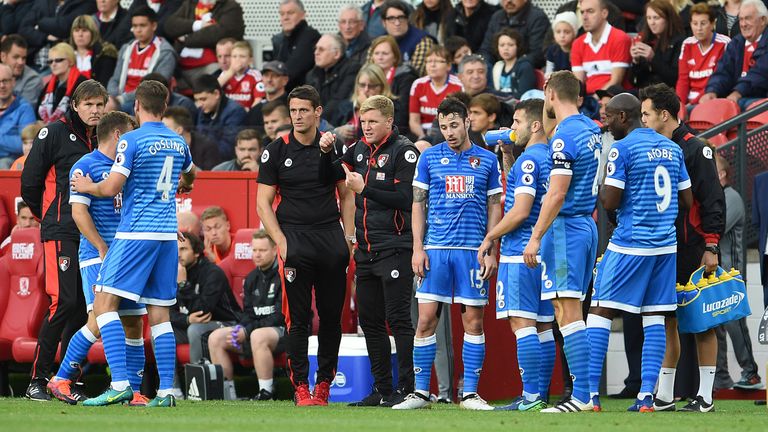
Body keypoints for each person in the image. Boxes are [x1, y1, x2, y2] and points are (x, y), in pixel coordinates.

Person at [70, 79, 197, 407]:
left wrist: (86, 186)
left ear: (137, 107)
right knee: (159, 314)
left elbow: (111, 188)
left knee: (103, 305)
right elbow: (191, 176)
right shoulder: (178, 141)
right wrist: (175, 187)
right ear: (165, 107)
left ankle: (121, 384)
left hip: (135, 234)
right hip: (168, 236)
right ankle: (167, 393)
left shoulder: (131, 140)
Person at [393, 96, 502, 411]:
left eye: (454, 124)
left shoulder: (487, 160)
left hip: (472, 252)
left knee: (474, 323)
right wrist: (417, 248)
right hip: (436, 251)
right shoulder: (428, 159)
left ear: (467, 120)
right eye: (443, 127)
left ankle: (469, 394)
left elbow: (495, 205)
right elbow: (417, 205)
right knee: (425, 320)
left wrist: (490, 248)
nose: (449, 132)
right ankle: (420, 393)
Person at [588, 92, 692, 412]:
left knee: (600, 310)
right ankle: (647, 395)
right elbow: (686, 202)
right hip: (665, 246)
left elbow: (610, 201)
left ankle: (589, 393)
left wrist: (605, 177)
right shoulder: (673, 148)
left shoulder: (623, 148)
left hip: (631, 243)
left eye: (608, 117)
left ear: (623, 117)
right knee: (655, 317)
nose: (605, 124)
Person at [256, 85, 354, 406]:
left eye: (303, 110)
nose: (297, 116)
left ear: (317, 112)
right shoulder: (276, 150)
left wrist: (349, 237)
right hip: (295, 238)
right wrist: (281, 241)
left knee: (330, 318)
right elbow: (262, 204)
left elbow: (347, 193)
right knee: (297, 320)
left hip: (329, 237)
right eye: (293, 111)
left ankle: (324, 385)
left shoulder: (331, 145)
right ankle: (301, 387)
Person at [321, 95, 418, 407]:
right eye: (364, 121)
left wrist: (365, 189)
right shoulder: (359, 148)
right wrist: (326, 153)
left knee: (399, 320)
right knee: (371, 322)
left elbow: (406, 198)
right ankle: (382, 390)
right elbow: (337, 173)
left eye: (374, 121)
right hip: (365, 249)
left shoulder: (405, 150)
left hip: (396, 247)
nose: (368, 127)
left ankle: (407, 389)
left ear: (389, 121)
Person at [47, 111, 148, 406]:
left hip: (126, 256)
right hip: (96, 255)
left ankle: (132, 391)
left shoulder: (126, 167)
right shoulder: (85, 165)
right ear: (118, 135)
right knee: (102, 318)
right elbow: (78, 212)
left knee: (132, 322)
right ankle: (68, 379)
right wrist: (102, 247)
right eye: (129, 135)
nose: (133, 141)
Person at [638, 82, 725, 412]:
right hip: (665, 248)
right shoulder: (653, 148)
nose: (642, 120)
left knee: (701, 321)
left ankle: (705, 397)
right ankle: (664, 395)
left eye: (646, 114)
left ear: (664, 114)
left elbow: (712, 200)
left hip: (694, 246)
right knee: (667, 320)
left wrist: (712, 245)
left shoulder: (695, 148)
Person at [20, 79, 106, 401]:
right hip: (61, 230)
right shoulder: (54, 133)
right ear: (75, 106)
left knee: (83, 308)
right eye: (89, 105)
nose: (95, 110)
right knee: (64, 301)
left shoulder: (105, 136)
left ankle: (68, 380)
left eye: (99, 104)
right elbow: (29, 181)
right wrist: (49, 218)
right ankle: (37, 380)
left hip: (91, 233)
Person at [521, 71, 602, 413]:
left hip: (566, 228)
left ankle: (582, 395)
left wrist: (535, 236)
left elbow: (555, 193)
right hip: (587, 225)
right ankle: (587, 395)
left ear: (550, 94)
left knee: (566, 311)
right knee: (570, 310)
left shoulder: (563, 135)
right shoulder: (591, 128)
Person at [477, 98, 556, 411]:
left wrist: (489, 237)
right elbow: (523, 195)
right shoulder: (549, 157)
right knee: (545, 324)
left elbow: (520, 211)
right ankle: (542, 395)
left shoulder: (530, 161)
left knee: (522, 323)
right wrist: (509, 155)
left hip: (518, 251)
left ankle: (531, 396)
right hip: (544, 250)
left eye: (517, 123)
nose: (511, 129)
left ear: (534, 125)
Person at [207, 229, 286, 401]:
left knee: (257, 335)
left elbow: (281, 315)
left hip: (284, 330)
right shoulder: (251, 278)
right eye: (254, 250)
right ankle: (227, 395)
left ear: (274, 250)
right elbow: (248, 313)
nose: (257, 255)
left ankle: (266, 392)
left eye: (262, 250)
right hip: (255, 330)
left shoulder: (283, 275)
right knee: (216, 338)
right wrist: (241, 328)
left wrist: (248, 331)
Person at [714, 154, 762, 391]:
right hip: (716, 274)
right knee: (716, 327)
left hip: (732, 273)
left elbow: (717, 228)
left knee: (735, 324)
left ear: (722, 174)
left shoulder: (731, 198)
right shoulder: (717, 199)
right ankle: (721, 376)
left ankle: (751, 373)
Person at [171, 231, 240, 364]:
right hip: (192, 324)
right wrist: (186, 319)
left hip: (226, 323)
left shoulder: (212, 273)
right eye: (176, 250)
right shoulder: (174, 273)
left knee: (195, 330)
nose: (178, 254)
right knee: (161, 334)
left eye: (183, 249)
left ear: (196, 252)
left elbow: (202, 310)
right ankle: (172, 385)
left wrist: (183, 285)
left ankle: (198, 382)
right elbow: (168, 313)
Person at [700, 0, 768, 110]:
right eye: (740, 19)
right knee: (695, 109)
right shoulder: (736, 43)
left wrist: (738, 92)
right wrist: (712, 91)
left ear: (763, 20)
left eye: (748, 18)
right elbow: (723, 71)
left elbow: (760, 74)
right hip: (738, 96)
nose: (743, 24)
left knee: (744, 106)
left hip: (760, 98)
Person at [164, 0, 245, 91]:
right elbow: (170, 25)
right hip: (181, 66)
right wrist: (198, 25)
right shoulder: (190, 3)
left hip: (212, 65)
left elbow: (219, 33)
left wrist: (186, 38)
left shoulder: (230, 6)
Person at [107, 6, 177, 109]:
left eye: (142, 25)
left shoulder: (165, 52)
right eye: (135, 26)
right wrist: (113, 97)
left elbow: (156, 88)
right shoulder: (126, 48)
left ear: (154, 26)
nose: (138, 30)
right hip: (121, 100)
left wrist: (121, 99)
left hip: (147, 102)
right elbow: (115, 79)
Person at [571, 0, 633, 95]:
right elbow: (578, 83)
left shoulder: (620, 38)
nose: (584, 17)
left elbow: (616, 82)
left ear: (604, 13)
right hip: (588, 99)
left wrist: (594, 100)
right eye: (582, 12)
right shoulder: (577, 43)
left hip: (613, 100)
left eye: (590, 11)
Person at [677, 3, 731, 108]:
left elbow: (717, 80)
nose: (699, 28)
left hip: (710, 99)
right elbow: (683, 80)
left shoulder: (724, 43)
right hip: (688, 102)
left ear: (712, 24)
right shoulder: (687, 44)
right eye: (695, 23)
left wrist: (691, 105)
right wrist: (679, 105)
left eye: (703, 23)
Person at [18, 0, 96, 71]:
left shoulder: (83, 3)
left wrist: (40, 23)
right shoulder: (42, 3)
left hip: (59, 65)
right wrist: (45, 37)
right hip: (32, 63)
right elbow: (23, 29)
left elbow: (64, 26)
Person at [330, 64, 398, 144]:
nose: (366, 90)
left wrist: (365, 106)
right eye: (362, 85)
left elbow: (373, 138)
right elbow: (330, 129)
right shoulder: (346, 106)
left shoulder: (392, 108)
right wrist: (338, 131)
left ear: (382, 87)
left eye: (372, 86)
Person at [367, 35, 418, 137]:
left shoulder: (406, 78)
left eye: (385, 53)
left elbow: (403, 114)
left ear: (395, 57)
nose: (380, 57)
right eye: (376, 53)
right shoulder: (367, 76)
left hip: (398, 131)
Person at [409, 46, 464, 140]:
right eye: (429, 61)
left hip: (447, 133)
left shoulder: (458, 85)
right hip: (422, 133)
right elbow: (414, 121)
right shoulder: (418, 84)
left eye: (438, 61)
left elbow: (460, 119)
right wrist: (423, 137)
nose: (432, 65)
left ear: (449, 66)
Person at [631, 0, 686, 89]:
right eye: (649, 18)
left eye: (656, 18)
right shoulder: (646, 40)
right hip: (645, 91)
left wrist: (653, 59)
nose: (652, 22)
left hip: (665, 93)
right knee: (612, 91)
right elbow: (634, 82)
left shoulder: (679, 42)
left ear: (668, 19)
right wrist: (635, 61)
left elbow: (674, 78)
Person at [305, 34, 360, 123]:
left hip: (339, 122)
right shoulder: (312, 74)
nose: (316, 52)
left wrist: (317, 121)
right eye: (316, 48)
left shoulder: (352, 69)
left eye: (321, 49)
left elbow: (339, 101)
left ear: (336, 54)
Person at [481, 0, 550, 69]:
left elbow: (538, 54)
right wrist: (489, 66)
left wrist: (513, 68)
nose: (509, 1)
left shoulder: (537, 18)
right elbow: (486, 49)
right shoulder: (497, 17)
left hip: (525, 70)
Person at [192, 74, 246, 160]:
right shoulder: (203, 110)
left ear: (216, 94)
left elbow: (228, 148)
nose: (199, 104)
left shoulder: (235, 111)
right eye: (197, 100)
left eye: (203, 99)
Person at [271, 0, 321, 91]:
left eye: (290, 13)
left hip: (303, 96)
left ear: (303, 15)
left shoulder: (310, 36)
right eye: (282, 14)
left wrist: (271, 82)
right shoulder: (280, 40)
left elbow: (291, 71)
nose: (285, 17)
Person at [380, 0, 435, 76]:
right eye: (391, 18)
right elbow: (369, 71)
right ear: (383, 23)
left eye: (401, 18)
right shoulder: (379, 42)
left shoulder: (422, 41)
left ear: (407, 20)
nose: (397, 23)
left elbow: (414, 75)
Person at [38, 43, 88, 123]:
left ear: (70, 61)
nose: (53, 64)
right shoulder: (49, 85)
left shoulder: (82, 83)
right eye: (50, 61)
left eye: (58, 60)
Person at [162, 106, 220, 170]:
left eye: (165, 128)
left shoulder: (207, 147)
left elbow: (210, 177)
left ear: (179, 130)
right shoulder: (160, 147)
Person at [0, 63, 35, 169]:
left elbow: (24, 144)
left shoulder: (24, 109)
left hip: (12, 161)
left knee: (3, 164)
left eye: (5, 80)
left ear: (13, 82)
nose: (2, 85)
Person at [68, 15, 118, 87]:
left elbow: (103, 85)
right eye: (76, 30)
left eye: (84, 30)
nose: (80, 34)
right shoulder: (65, 55)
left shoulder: (104, 55)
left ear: (93, 33)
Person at [491, 28, 536, 100]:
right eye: (502, 45)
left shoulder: (525, 66)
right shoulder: (497, 66)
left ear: (518, 47)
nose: (506, 48)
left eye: (511, 45)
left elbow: (524, 95)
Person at [219, 41, 265, 111]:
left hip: (247, 113)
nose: (238, 60)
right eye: (234, 56)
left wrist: (250, 112)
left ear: (250, 60)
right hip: (227, 114)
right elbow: (213, 88)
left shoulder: (255, 75)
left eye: (242, 56)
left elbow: (258, 100)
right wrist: (231, 71)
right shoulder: (225, 74)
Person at [244, 61, 290, 127]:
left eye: (274, 76)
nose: (269, 79)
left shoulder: (292, 106)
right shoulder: (256, 110)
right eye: (266, 75)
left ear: (285, 80)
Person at [0, 35, 43, 106]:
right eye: (16, 57)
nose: (21, 62)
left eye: (24, 58)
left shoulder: (33, 80)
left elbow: (23, 112)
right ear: (3, 56)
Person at [546, 12, 579, 78]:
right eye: (558, 32)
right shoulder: (552, 50)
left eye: (567, 32)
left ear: (574, 34)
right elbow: (549, 71)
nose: (562, 36)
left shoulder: (578, 50)